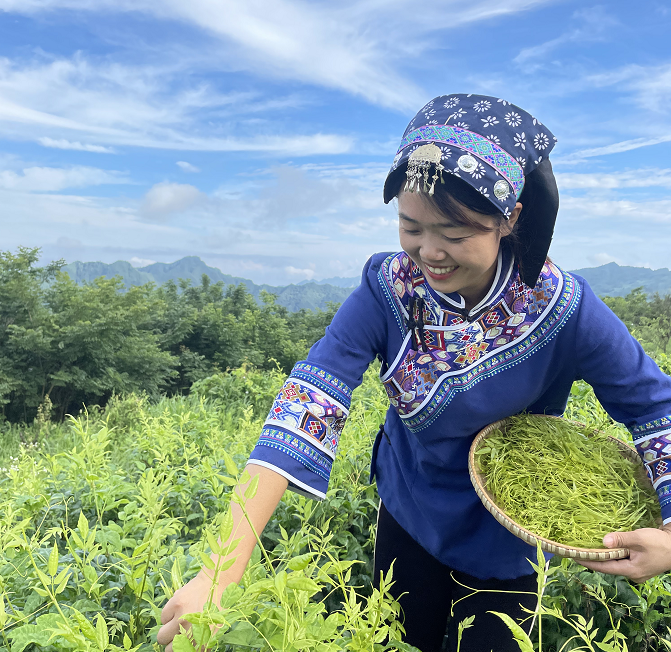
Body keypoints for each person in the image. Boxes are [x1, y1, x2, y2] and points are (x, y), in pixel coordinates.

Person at [157, 94, 671, 652]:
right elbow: (306, 402)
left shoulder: (562, 308)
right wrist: (219, 570)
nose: (429, 253)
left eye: (455, 233)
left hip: (507, 541)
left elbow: (654, 407)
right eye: (410, 226)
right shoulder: (387, 289)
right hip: (408, 507)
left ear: (510, 219)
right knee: (397, 639)